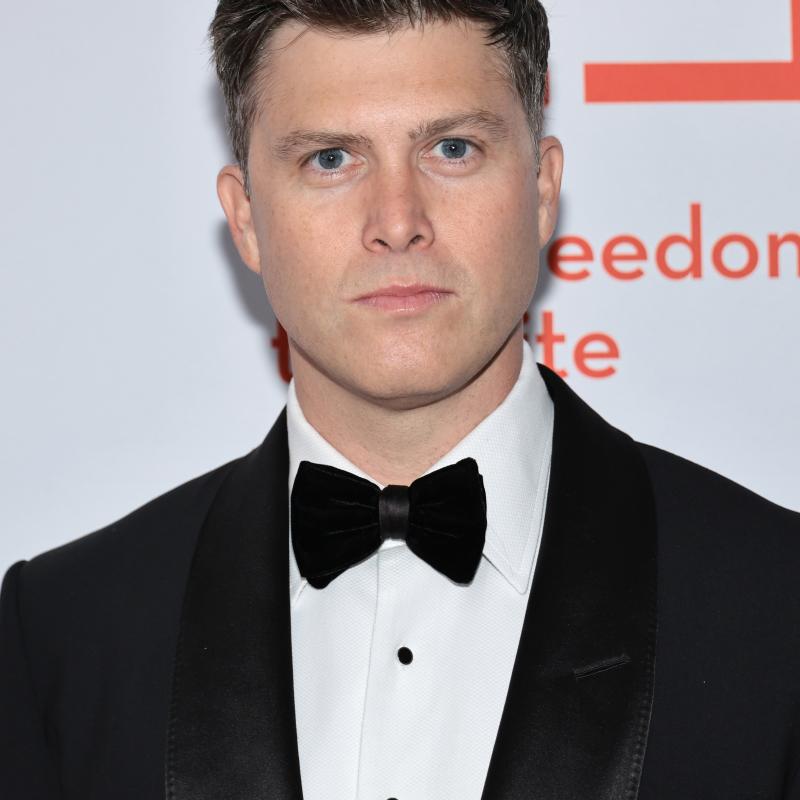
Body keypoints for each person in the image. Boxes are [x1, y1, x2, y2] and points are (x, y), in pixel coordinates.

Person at [1, 1, 798, 798]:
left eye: (452, 148)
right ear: (245, 217)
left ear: (543, 188)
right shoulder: (67, 634)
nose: (397, 222)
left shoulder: (774, 604)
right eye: (330, 159)